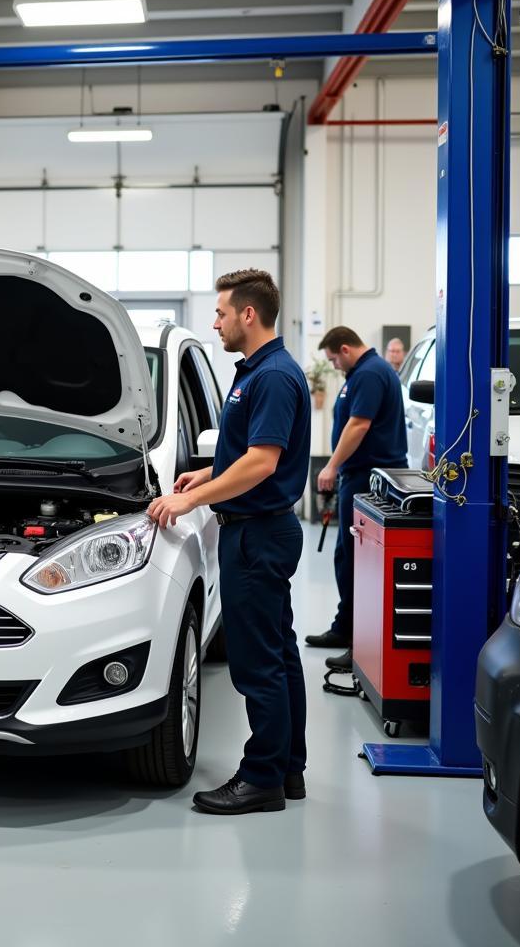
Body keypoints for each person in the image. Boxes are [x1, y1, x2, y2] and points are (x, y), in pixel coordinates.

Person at [148, 269, 310, 815]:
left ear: (247, 314)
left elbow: (263, 464)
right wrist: (207, 476)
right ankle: (288, 769)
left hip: (257, 534)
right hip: (258, 528)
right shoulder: (259, 372)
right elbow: (244, 454)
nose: (214, 322)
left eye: (220, 313)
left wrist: (190, 501)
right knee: (280, 655)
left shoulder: (272, 377)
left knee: (256, 663)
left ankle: (260, 778)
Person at [305, 326, 408, 671]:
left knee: (359, 565)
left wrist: (331, 466)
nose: (334, 366)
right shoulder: (366, 372)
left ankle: (359, 646)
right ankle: (345, 628)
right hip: (359, 477)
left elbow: (359, 425)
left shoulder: (369, 374)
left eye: (334, 359)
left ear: (345, 349)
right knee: (346, 558)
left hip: (367, 477)